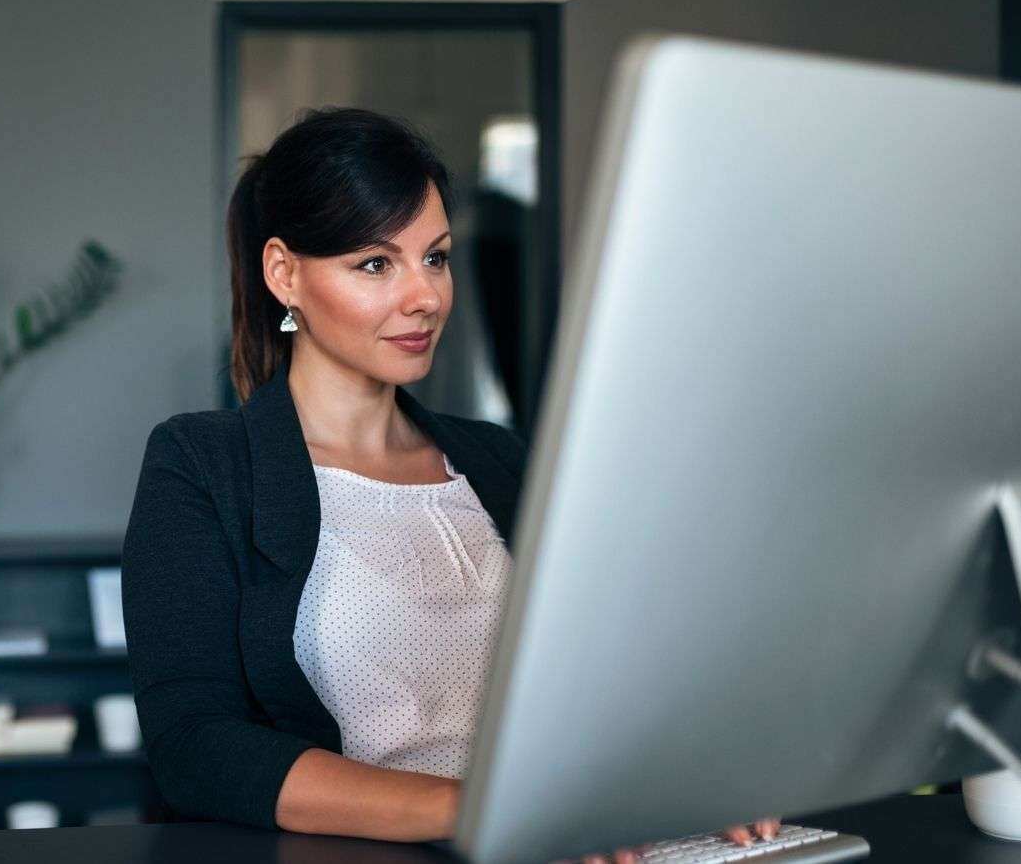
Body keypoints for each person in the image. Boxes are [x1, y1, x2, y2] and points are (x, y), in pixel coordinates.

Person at [120, 107, 775, 861]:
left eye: (435, 257)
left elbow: (608, 685)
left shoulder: (501, 460)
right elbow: (196, 747)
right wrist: (479, 811)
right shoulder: (202, 463)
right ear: (284, 273)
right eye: (376, 264)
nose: (425, 297)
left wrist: (689, 783)